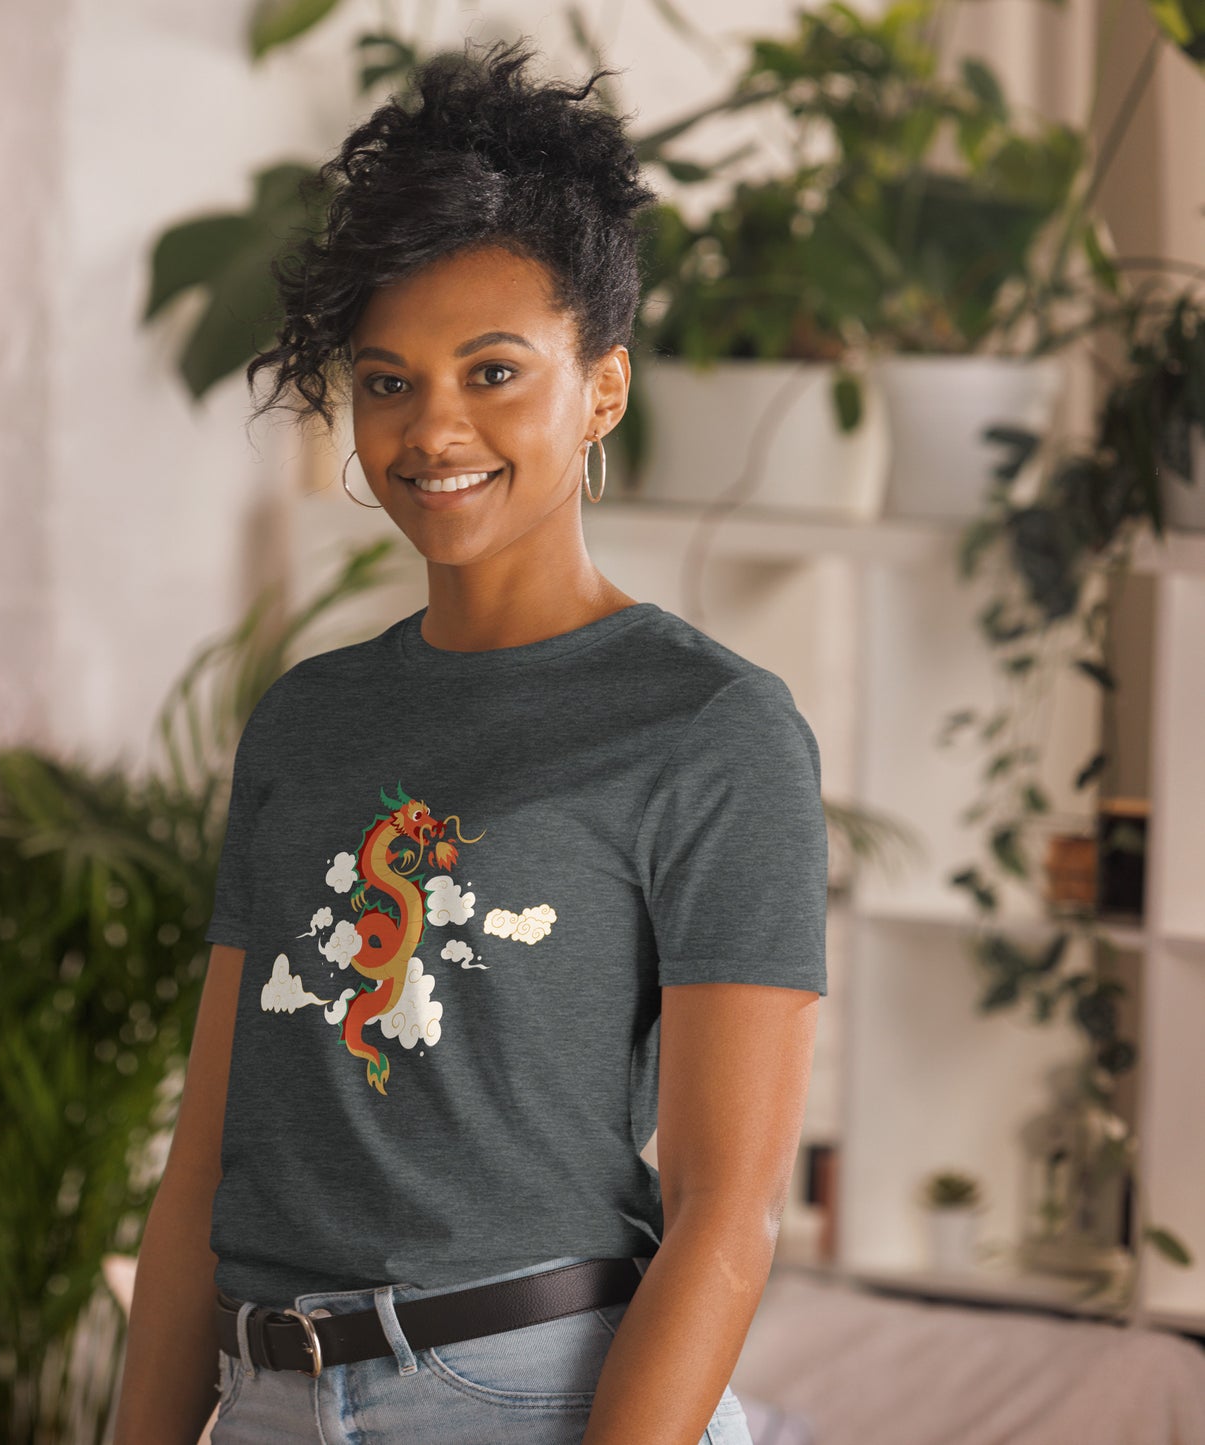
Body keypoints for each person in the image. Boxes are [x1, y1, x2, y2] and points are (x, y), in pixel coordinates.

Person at [112, 36, 826, 1445]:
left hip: (529, 1393)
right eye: (386, 381)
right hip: (265, 1397)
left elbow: (724, 1214)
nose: (432, 427)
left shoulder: (709, 726)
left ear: (600, 388)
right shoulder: (309, 717)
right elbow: (208, 1159)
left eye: (493, 370)